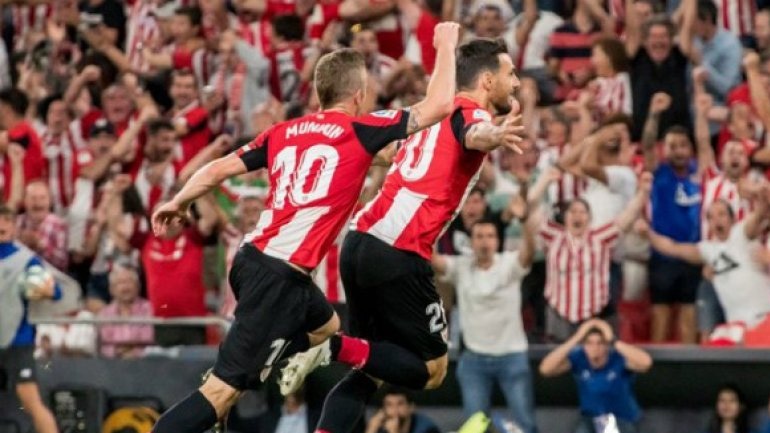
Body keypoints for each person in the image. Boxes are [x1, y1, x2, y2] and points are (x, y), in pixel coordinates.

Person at [149, 22, 461, 433]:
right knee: (222, 393)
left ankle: (262, 358)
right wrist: (445, 44)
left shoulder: (284, 132)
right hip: (278, 276)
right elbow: (439, 105)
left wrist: (179, 200)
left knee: (326, 328)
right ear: (358, 94)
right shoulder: (361, 129)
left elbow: (218, 168)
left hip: (256, 261)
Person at [280, 37, 526, 433]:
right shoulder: (469, 112)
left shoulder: (427, 114)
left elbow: (393, 150)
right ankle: (330, 345)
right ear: (486, 80)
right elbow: (473, 132)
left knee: (370, 367)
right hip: (398, 250)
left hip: (359, 241)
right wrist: (493, 136)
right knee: (431, 369)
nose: (516, 82)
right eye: (510, 73)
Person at [431, 217, 537, 433]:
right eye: (479, 236)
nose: (484, 241)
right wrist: (434, 221)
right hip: (474, 360)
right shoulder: (461, 266)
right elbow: (431, 259)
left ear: (498, 241)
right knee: (474, 428)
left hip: (512, 356)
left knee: (525, 424)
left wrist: (525, 221)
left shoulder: (509, 263)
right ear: (471, 242)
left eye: (490, 236)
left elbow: (529, 254)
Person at [639, 193, 770, 339]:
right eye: (711, 217)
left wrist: (762, 197)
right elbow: (672, 247)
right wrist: (648, 234)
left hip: (764, 317)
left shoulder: (743, 233)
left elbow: (759, 215)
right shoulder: (707, 250)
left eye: (721, 214)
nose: (716, 220)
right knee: (717, 341)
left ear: (732, 218)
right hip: (738, 327)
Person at [0, 204, 60, 433]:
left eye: (7, 221)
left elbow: (56, 291)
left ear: (14, 226)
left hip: (18, 340)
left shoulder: (26, 260)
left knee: (30, 399)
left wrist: (46, 290)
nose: (2, 225)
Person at [539, 318, 653, 433]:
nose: (595, 348)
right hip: (590, 419)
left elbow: (646, 363)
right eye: (589, 343)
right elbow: (545, 369)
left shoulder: (617, 358)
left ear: (607, 345)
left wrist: (613, 340)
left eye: (600, 343)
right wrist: (575, 338)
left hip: (621, 418)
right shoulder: (579, 358)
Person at [365, 388, 441, 433]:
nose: (394, 409)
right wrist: (371, 428)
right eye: (389, 404)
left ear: (411, 407)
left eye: (400, 404)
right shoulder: (381, 427)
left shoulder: (427, 429)